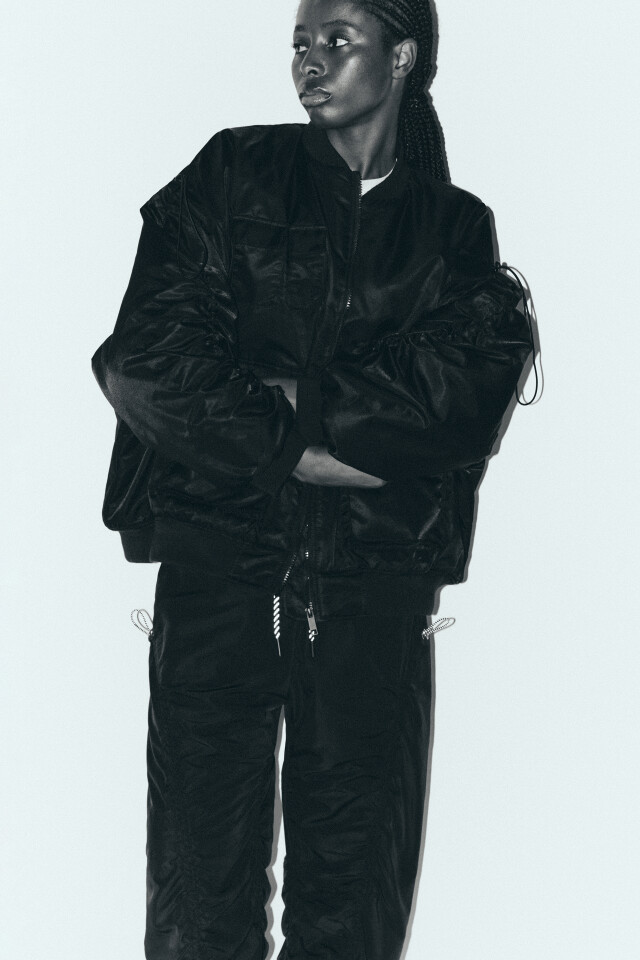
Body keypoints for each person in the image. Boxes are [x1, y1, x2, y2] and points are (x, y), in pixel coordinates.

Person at [91, 1, 537, 957]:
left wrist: (288, 399)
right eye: (300, 42)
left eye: (338, 41)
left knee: (353, 912)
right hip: (218, 581)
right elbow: (143, 362)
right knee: (196, 901)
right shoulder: (232, 173)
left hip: (373, 595)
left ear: (402, 56)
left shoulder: (452, 229)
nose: (311, 61)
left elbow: (458, 401)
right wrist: (296, 445)